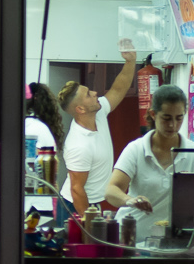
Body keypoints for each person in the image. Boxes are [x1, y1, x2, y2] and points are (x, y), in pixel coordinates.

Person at [104, 83, 194, 231]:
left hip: (174, 240)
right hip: (134, 237)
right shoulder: (136, 149)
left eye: (179, 118)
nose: (173, 125)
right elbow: (111, 191)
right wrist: (130, 200)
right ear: (153, 114)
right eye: (166, 118)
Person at [57, 38, 137, 213]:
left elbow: (117, 89)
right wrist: (89, 226)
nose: (95, 93)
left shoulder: (98, 112)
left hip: (91, 202)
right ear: (81, 109)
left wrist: (130, 61)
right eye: (88, 94)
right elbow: (77, 190)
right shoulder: (79, 145)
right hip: (74, 205)